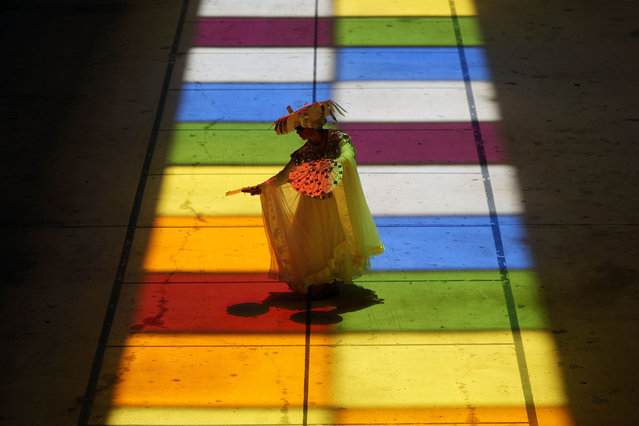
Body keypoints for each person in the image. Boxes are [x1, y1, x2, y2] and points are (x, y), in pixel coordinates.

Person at [242, 100, 384, 299]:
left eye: (301, 128)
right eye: (297, 128)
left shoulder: (337, 139)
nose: (298, 132)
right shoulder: (304, 152)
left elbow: (348, 153)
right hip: (313, 203)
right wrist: (263, 187)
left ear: (312, 125)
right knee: (313, 240)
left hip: (335, 201)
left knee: (336, 236)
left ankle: (331, 278)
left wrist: (334, 164)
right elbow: (285, 175)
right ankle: (323, 280)